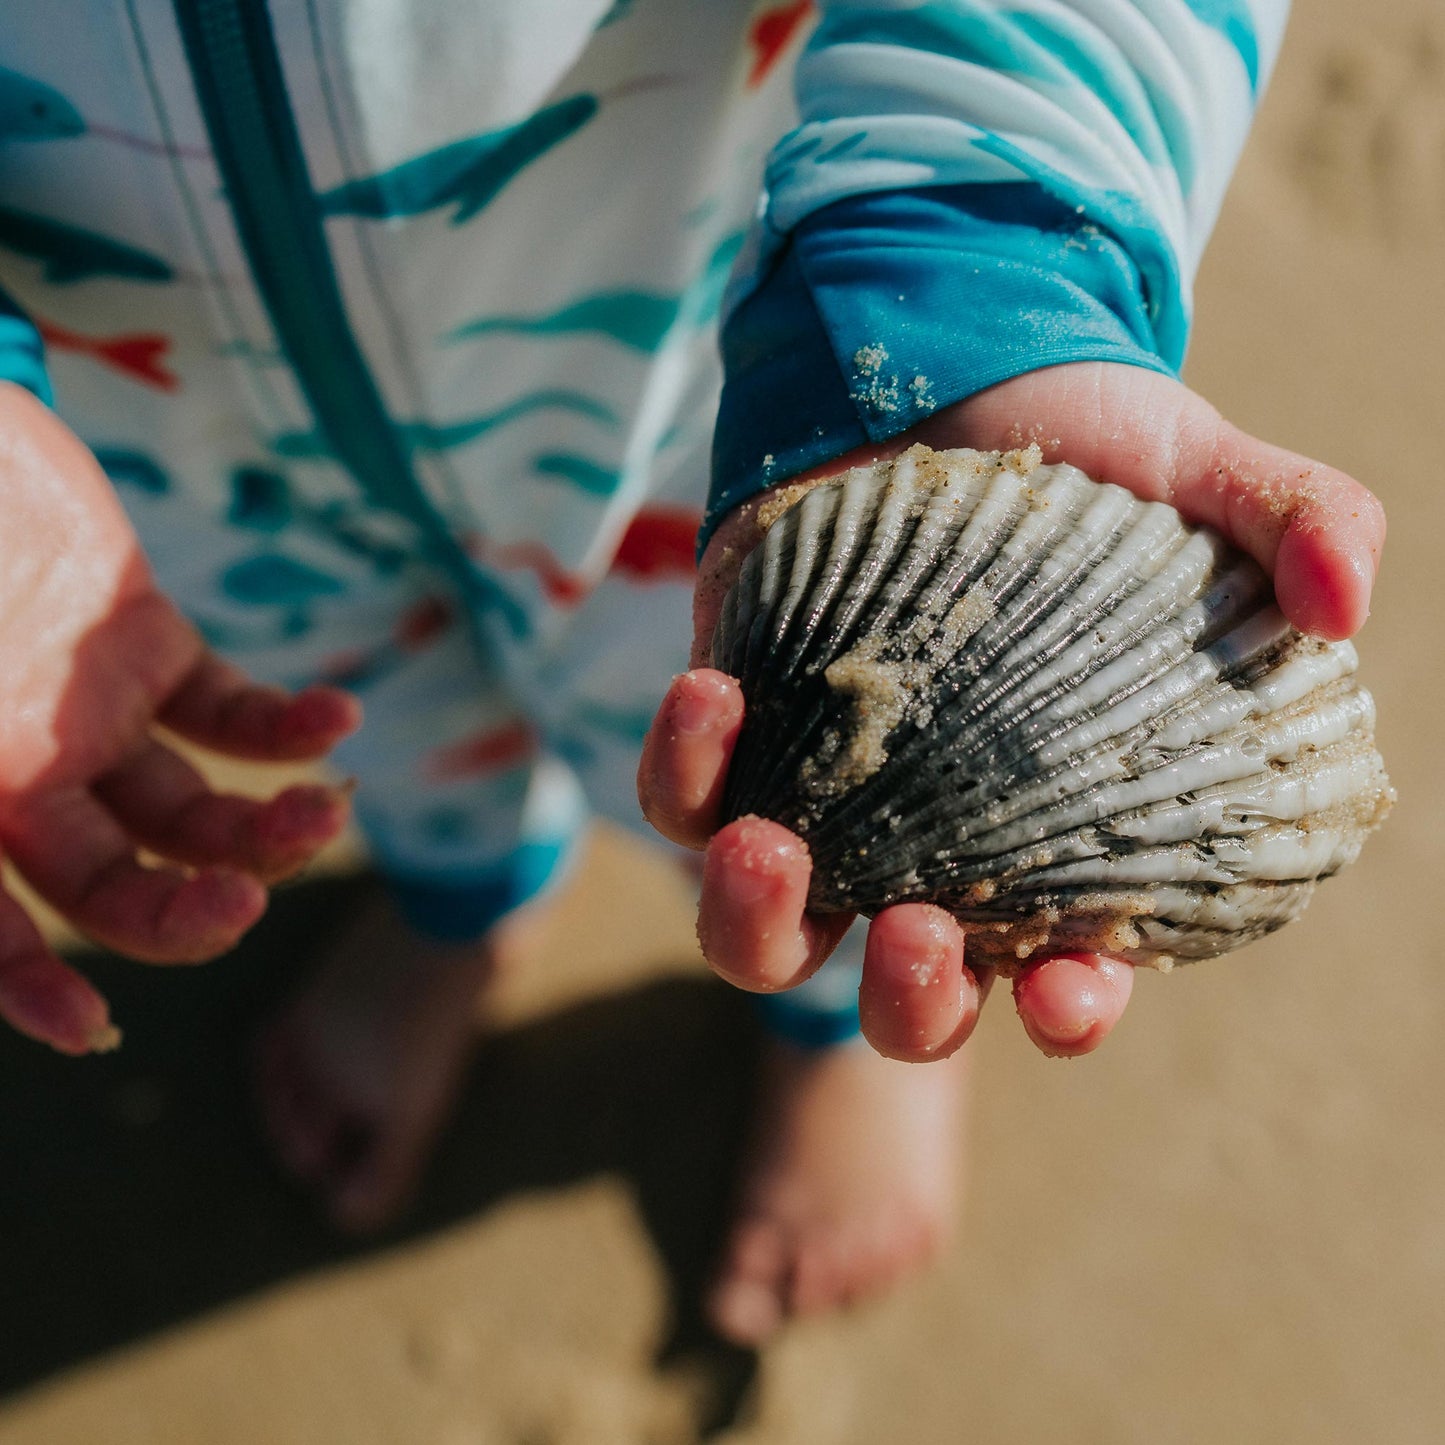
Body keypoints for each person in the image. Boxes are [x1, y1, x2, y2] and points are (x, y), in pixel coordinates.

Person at [0, 0, 1382, 1346]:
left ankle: (834, 1024)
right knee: (369, 712)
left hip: (740, 367)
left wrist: (957, 254)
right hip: (149, 439)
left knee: (760, 791)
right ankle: (462, 891)